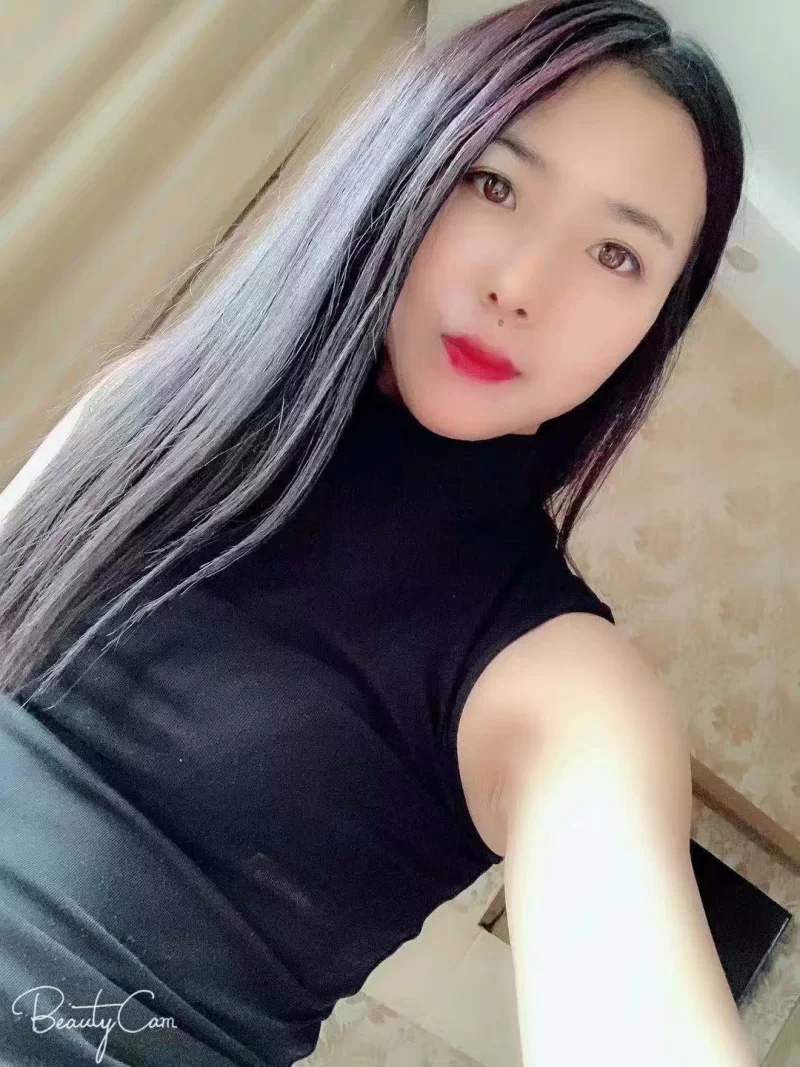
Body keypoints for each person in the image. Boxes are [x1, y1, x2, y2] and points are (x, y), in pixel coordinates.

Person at [0, 1, 757, 1064]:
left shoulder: (562, 684)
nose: (520, 287)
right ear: (410, 162)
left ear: (651, 329)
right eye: (493, 182)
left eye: (616, 254)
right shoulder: (142, 406)